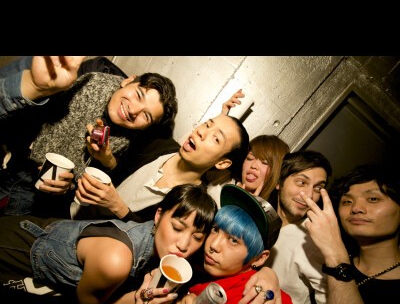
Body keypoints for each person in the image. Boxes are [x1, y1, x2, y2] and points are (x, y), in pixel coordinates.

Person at [0, 183, 217, 304]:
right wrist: (134, 299)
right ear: (158, 216)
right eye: (177, 228)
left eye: (198, 237)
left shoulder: (156, 242)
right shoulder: (115, 261)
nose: (184, 245)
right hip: (15, 248)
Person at [0, 55, 178, 217]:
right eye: (139, 95)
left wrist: (69, 185)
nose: (133, 110)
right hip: (10, 156)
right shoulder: (82, 80)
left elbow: (89, 188)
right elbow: (19, 115)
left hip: (36, 197)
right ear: (128, 81)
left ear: (147, 127)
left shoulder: (132, 144)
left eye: (146, 116)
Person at [72, 111, 250, 223]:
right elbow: (121, 171)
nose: (201, 132)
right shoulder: (160, 144)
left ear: (222, 163)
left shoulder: (192, 204)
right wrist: (106, 158)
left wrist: (118, 207)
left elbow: (151, 244)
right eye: (207, 124)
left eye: (216, 138)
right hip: (73, 213)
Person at [169, 184, 296, 304]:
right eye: (215, 229)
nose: (213, 245)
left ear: (259, 258)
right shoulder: (194, 261)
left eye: (233, 240)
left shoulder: (262, 303)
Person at [236, 150, 333, 304]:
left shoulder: (315, 240)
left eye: (318, 188)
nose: (309, 195)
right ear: (279, 183)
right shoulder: (261, 216)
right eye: (301, 182)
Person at [301, 163, 400, 304]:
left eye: (373, 199)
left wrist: (335, 254)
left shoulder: (334, 256)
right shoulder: (320, 262)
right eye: (347, 201)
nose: (356, 208)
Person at [207, 134, 290, 207]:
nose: (254, 166)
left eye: (265, 162)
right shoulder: (219, 186)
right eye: (250, 158)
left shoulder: (269, 215)